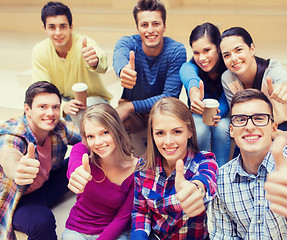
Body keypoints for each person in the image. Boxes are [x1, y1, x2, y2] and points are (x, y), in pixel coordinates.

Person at [210, 89, 287, 239]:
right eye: (240, 119)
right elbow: (223, 235)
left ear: (273, 128)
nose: (249, 126)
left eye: (259, 118)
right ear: (231, 130)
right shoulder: (222, 179)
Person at [0, 81, 81, 239]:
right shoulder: (13, 134)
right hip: (20, 199)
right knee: (42, 222)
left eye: (55, 107)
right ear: (27, 110)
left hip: (46, 183)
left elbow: (87, 138)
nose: (50, 113)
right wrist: (17, 168)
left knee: (90, 153)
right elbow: (8, 154)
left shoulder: (57, 127)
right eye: (42, 107)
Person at [131, 97, 218, 240]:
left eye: (177, 131)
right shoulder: (143, 167)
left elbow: (206, 179)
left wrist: (197, 190)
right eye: (160, 133)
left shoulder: (205, 161)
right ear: (152, 135)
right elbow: (141, 211)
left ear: (190, 132)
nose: (168, 141)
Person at [62, 103, 137, 240]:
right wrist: (77, 173)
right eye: (91, 136)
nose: (98, 142)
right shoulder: (82, 150)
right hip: (77, 229)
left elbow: (123, 217)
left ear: (117, 130)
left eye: (104, 133)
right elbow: (75, 166)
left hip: (114, 233)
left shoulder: (136, 170)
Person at [220, 27, 287, 145]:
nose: (234, 58)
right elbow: (237, 115)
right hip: (251, 126)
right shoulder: (227, 78)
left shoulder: (272, 68)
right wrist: (275, 134)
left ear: (252, 49)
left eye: (239, 50)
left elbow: (286, 83)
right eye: (226, 55)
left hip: (285, 125)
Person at [32, 1, 112, 127]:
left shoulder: (84, 43)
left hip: (93, 100)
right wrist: (62, 106)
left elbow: (101, 62)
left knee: (78, 111)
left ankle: (85, 145)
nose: (58, 33)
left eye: (63, 26)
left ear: (71, 27)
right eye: (52, 27)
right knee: (35, 110)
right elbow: (40, 88)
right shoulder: (40, 50)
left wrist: (95, 61)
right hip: (62, 101)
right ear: (45, 28)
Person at [113, 0, 187, 133]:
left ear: (164, 26)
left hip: (163, 111)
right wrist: (122, 70)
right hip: (135, 115)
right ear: (137, 28)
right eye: (144, 25)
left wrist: (129, 106)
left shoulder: (176, 50)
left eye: (156, 24)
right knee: (111, 126)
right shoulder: (129, 42)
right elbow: (120, 54)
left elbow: (169, 96)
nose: (150, 30)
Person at [180, 22, 230, 167]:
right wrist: (195, 97)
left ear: (219, 47)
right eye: (196, 52)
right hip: (197, 115)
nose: (201, 58)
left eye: (206, 50)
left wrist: (218, 112)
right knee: (200, 129)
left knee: (221, 128)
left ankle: (220, 172)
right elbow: (191, 79)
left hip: (222, 115)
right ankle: (199, 170)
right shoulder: (189, 67)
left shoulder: (227, 67)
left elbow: (226, 98)